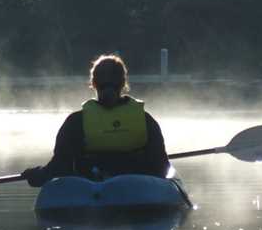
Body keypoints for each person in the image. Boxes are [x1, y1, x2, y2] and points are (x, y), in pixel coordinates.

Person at [21, 54, 170, 187]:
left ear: (93, 83)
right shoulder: (145, 119)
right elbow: (162, 168)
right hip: (138, 191)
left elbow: (58, 167)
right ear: (123, 84)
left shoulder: (76, 122)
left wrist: (35, 175)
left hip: (90, 187)